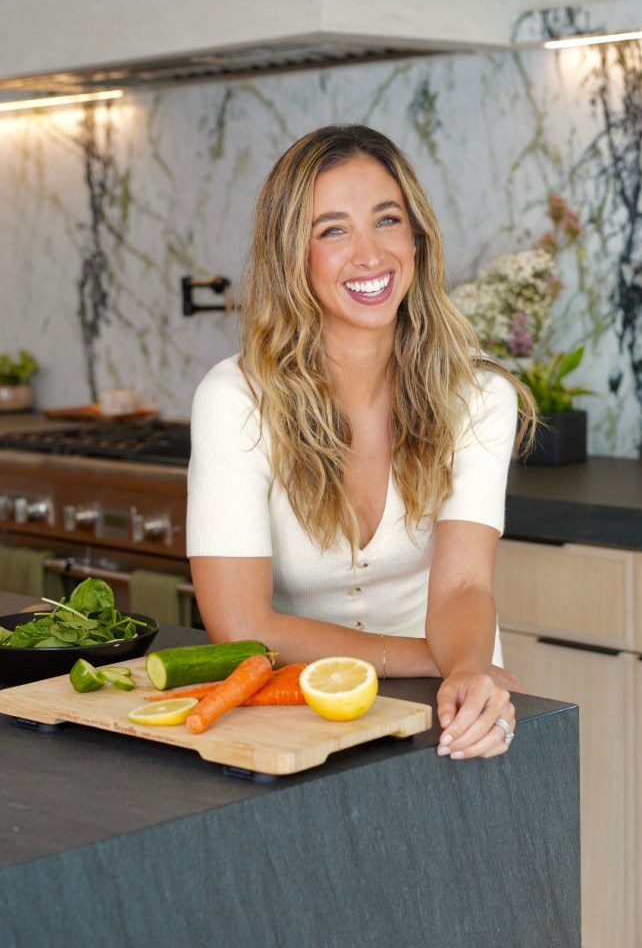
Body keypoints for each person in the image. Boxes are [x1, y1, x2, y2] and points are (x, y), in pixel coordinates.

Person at [187, 124, 537, 760]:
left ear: (417, 237)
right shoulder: (236, 399)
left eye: (387, 220)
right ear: (292, 254)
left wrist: (465, 674)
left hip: (451, 714)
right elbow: (240, 627)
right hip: (299, 717)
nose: (370, 254)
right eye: (333, 230)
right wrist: (437, 660)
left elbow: (463, 588)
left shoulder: (480, 398)